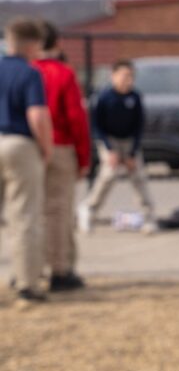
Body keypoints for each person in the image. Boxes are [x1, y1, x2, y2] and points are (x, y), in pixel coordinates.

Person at [33, 20, 91, 291]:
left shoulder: (21, 70)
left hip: (26, 147)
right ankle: (60, 269)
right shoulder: (62, 73)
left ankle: (28, 270)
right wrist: (84, 157)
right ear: (57, 43)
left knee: (28, 212)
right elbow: (75, 118)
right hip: (59, 145)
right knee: (59, 211)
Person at [1, 17, 53, 305]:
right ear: (32, 44)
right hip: (19, 144)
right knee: (24, 217)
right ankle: (27, 284)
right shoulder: (29, 73)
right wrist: (45, 147)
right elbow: (37, 114)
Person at [78, 59, 157, 235]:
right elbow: (96, 126)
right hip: (109, 140)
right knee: (109, 174)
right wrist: (110, 150)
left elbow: (138, 126)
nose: (127, 79)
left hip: (128, 141)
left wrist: (131, 153)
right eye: (123, 75)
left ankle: (149, 217)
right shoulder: (104, 97)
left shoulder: (134, 97)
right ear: (113, 76)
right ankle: (89, 210)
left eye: (130, 76)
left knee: (138, 176)